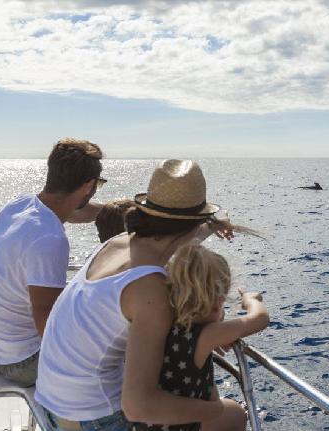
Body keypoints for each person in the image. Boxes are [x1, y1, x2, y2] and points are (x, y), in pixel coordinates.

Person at [35, 159, 238, 431]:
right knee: (232, 415)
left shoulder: (116, 244)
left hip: (51, 408)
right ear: (195, 221)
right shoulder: (150, 289)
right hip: (95, 420)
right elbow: (138, 406)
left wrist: (209, 227)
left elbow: (175, 240)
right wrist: (214, 409)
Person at [0, 138, 105, 387]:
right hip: (21, 362)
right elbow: (48, 323)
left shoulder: (21, 205)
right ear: (88, 185)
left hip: (1, 347)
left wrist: (120, 210)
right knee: (120, 356)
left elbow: (75, 211)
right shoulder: (50, 238)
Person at [136, 243, 269, 431]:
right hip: (183, 426)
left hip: (146, 425)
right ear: (216, 304)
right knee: (237, 414)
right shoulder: (205, 336)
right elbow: (260, 319)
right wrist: (251, 300)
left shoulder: (159, 324)